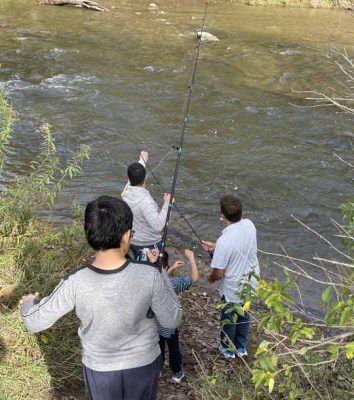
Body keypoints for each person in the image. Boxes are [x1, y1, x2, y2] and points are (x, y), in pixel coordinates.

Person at [20, 196, 182, 400]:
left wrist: (27, 303)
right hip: (143, 366)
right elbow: (172, 319)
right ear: (126, 237)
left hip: (100, 369)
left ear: (89, 233)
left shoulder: (76, 281)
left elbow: (34, 321)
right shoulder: (150, 276)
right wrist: (162, 273)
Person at [202, 193, 259, 361]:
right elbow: (237, 245)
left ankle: (227, 349)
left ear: (222, 215)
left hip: (232, 289)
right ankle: (241, 347)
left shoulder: (225, 241)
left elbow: (218, 274)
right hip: (251, 282)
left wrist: (209, 277)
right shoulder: (250, 225)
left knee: (229, 317)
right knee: (244, 314)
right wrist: (216, 246)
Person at [121, 151, 173, 260]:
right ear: (146, 178)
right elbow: (158, 225)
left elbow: (133, 175)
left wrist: (142, 160)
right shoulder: (145, 202)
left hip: (133, 241)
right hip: (150, 244)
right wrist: (167, 204)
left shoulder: (126, 191)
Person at [158, 249, 199, 383]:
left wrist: (170, 269)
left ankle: (158, 369)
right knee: (174, 348)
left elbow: (160, 276)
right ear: (166, 266)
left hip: (155, 324)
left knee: (159, 346)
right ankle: (177, 372)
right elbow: (194, 278)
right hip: (170, 324)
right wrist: (191, 258)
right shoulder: (174, 284)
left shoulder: (148, 283)